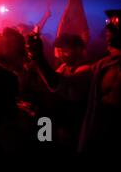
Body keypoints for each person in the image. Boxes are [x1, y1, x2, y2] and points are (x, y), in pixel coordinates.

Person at [27, 9, 121, 152]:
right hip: (55, 123)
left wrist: (40, 60)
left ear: (79, 49)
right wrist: (38, 60)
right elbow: (58, 84)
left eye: (115, 24)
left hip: (75, 128)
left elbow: (69, 87)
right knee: (44, 145)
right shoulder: (102, 65)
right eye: (108, 23)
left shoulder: (86, 67)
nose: (107, 28)